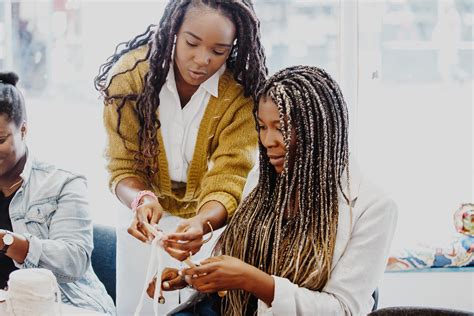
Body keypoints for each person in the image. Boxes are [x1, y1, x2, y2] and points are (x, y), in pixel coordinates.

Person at [175, 65, 398, 315]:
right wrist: (192, 276)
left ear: (319, 130)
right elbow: (239, 259)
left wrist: (251, 280)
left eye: (281, 127)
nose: (268, 141)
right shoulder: (262, 178)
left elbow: (343, 309)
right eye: (262, 126)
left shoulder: (374, 208)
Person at [94, 0, 267, 313]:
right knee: (141, 305)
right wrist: (141, 200)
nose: (202, 60)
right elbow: (122, 165)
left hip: (208, 225)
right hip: (142, 223)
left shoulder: (241, 94)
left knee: (198, 306)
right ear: (173, 29)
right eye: (192, 43)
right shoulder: (130, 78)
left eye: (219, 51)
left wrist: (202, 223)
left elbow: (230, 175)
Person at [0, 72, 115, 315]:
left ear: (23, 130)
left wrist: (7, 242)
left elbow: (74, 261)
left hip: (64, 305)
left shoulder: (63, 182)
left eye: (0, 139)